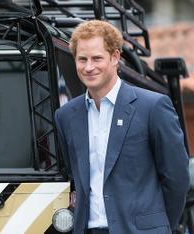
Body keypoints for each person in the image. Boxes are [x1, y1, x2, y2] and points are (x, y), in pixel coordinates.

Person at [54, 20, 189, 234]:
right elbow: (73, 177)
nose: (89, 67)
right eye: (82, 59)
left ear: (115, 57)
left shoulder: (153, 107)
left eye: (97, 58)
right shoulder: (65, 116)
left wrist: (158, 226)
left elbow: (177, 179)